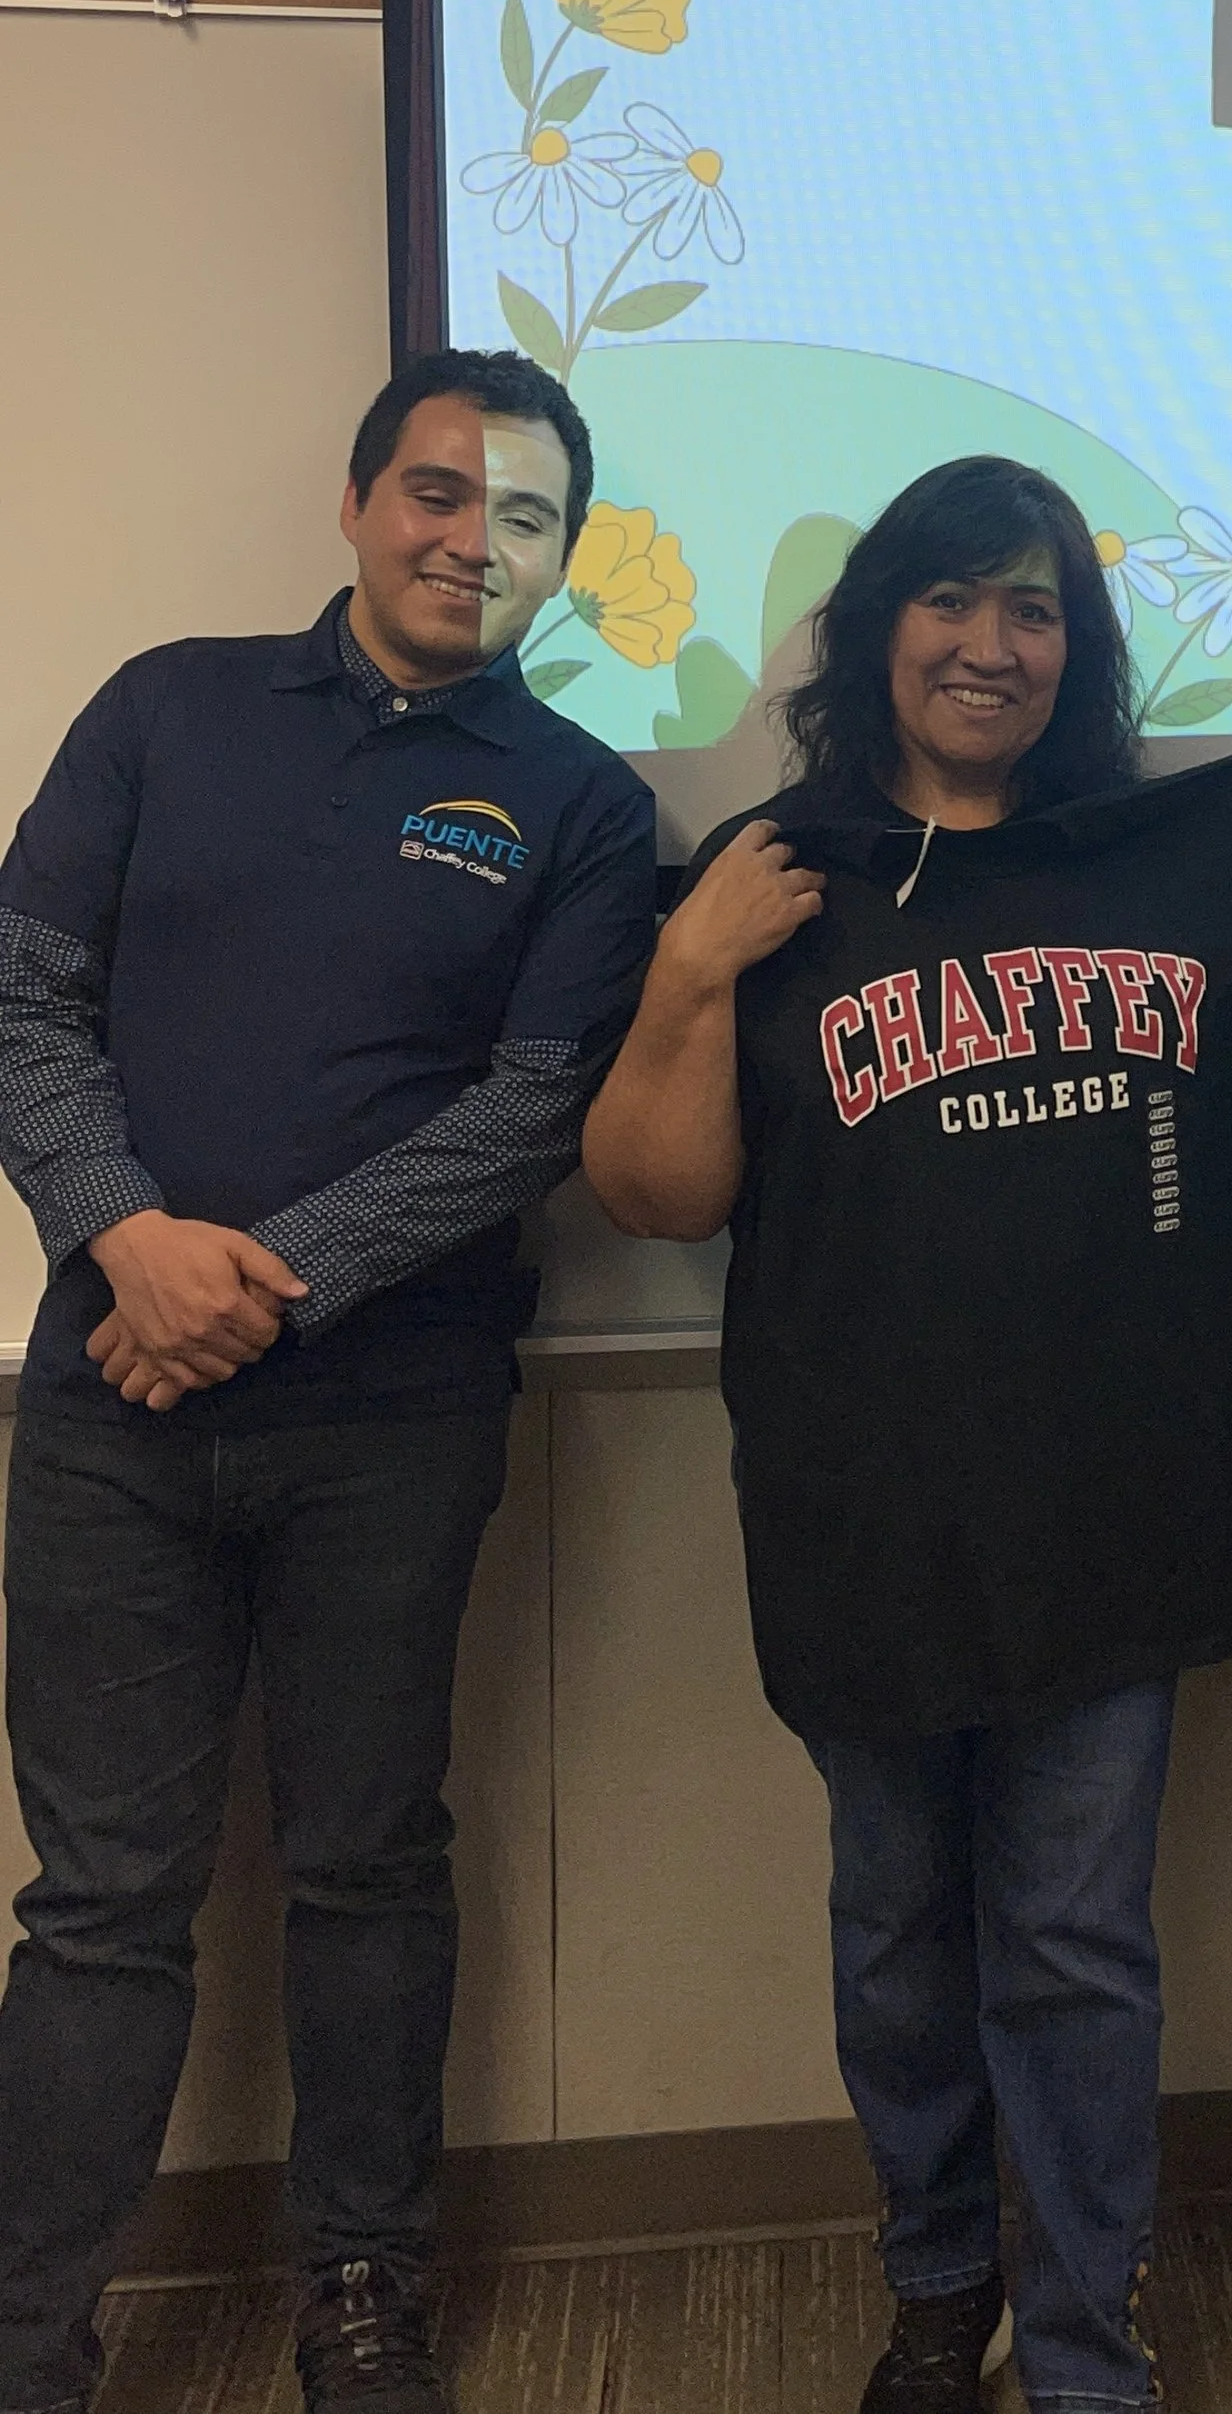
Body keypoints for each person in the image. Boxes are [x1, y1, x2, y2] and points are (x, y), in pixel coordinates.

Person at [581, 454, 1232, 2414]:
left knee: (1075, 1936)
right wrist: (688, 967)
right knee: (896, 1931)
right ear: (880, 626)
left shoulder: (1148, 846)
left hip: (1113, 1503)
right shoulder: (779, 869)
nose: (989, 643)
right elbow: (659, 1194)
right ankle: (939, 2285)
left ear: (1073, 650)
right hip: (865, 1500)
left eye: (1033, 610)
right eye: (952, 599)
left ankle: (1091, 2335)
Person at [0, 350, 656, 2414]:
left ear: (563, 556)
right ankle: (31, 2324)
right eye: (443, 494)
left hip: (394, 1416)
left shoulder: (584, 800)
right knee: (102, 1899)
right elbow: (25, 996)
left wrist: (257, 1285)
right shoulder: (166, 704)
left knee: (370, 1860)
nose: (478, 540)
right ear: (362, 500)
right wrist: (127, 1236)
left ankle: (361, 2286)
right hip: (111, 1406)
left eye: (529, 515)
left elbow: (530, 1112)